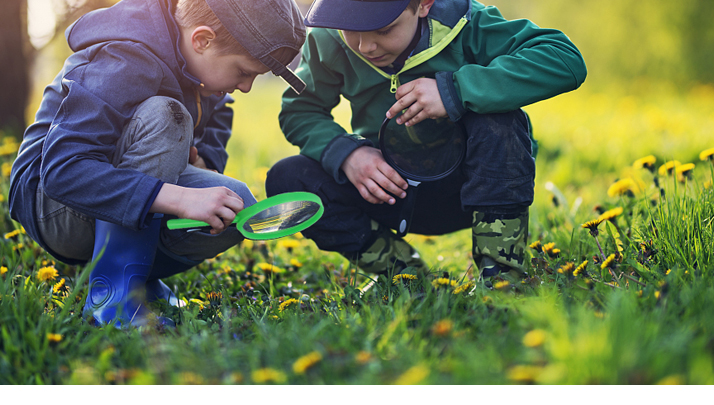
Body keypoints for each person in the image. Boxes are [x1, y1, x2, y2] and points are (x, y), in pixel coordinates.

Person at [8, 0, 306, 327]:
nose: (247, 86)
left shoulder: (197, 61)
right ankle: (113, 299)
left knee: (234, 204)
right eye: (244, 72)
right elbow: (63, 172)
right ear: (202, 40)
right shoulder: (123, 56)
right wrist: (179, 198)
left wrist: (204, 162)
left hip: (107, 196)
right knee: (167, 116)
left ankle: (140, 282)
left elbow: (219, 110)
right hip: (53, 206)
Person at [266, 0, 586, 282]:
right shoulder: (329, 39)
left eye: (383, 30)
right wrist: (349, 155)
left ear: (424, 4)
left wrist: (455, 92)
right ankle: (404, 273)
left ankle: (501, 275)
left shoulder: (468, 24)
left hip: (472, 188)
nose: (365, 46)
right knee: (287, 178)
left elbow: (563, 59)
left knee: (500, 118)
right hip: (390, 190)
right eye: (352, 31)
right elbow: (301, 110)